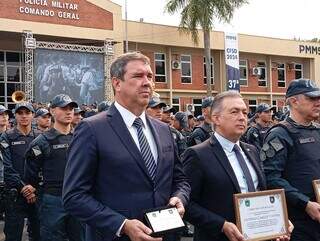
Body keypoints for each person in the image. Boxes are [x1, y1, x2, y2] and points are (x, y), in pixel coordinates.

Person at [62, 52, 190, 241]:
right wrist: (121, 224)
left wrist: (180, 197)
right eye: (138, 76)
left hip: (166, 235)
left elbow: (180, 180)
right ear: (117, 83)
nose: (147, 82)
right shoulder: (92, 129)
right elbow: (74, 196)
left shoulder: (164, 130)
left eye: (150, 76)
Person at [182, 91, 291, 241]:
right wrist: (222, 225)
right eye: (234, 112)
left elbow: (262, 193)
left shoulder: (252, 151)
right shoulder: (197, 155)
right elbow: (186, 205)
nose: (242, 117)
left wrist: (279, 219)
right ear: (216, 118)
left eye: (245, 112)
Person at [262, 79, 320, 241]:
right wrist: (305, 204)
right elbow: (271, 177)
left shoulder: (317, 131)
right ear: (294, 101)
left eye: (319, 98)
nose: (318, 102)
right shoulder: (279, 134)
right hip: (298, 221)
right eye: (311, 98)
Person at [24, 94, 84, 241]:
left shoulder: (81, 137)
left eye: (71, 108)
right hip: (52, 200)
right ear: (52, 111)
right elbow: (30, 172)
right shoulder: (41, 142)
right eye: (63, 108)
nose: (69, 112)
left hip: (78, 198)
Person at [0, 102, 40, 241]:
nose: (24, 116)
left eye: (27, 113)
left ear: (33, 115)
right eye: (20, 113)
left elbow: (43, 167)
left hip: (37, 193)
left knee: (38, 234)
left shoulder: (40, 137)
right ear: (15, 116)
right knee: (13, 236)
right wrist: (23, 187)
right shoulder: (7, 137)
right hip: (15, 195)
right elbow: (7, 167)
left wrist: (33, 187)